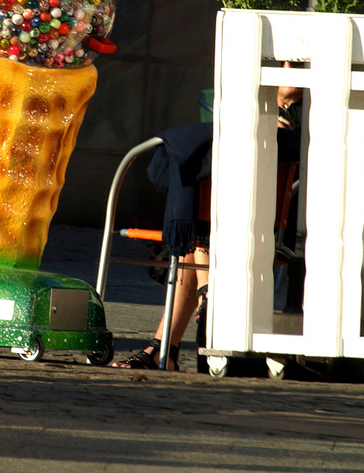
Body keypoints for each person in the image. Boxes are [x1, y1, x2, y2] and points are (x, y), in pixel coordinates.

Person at [113, 78, 302, 371]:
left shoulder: (314, 113)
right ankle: (191, 317)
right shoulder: (241, 106)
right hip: (221, 219)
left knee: (195, 237)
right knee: (197, 229)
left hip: (274, 224)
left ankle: (170, 341)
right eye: (284, 64)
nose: (287, 73)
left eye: (295, 66)